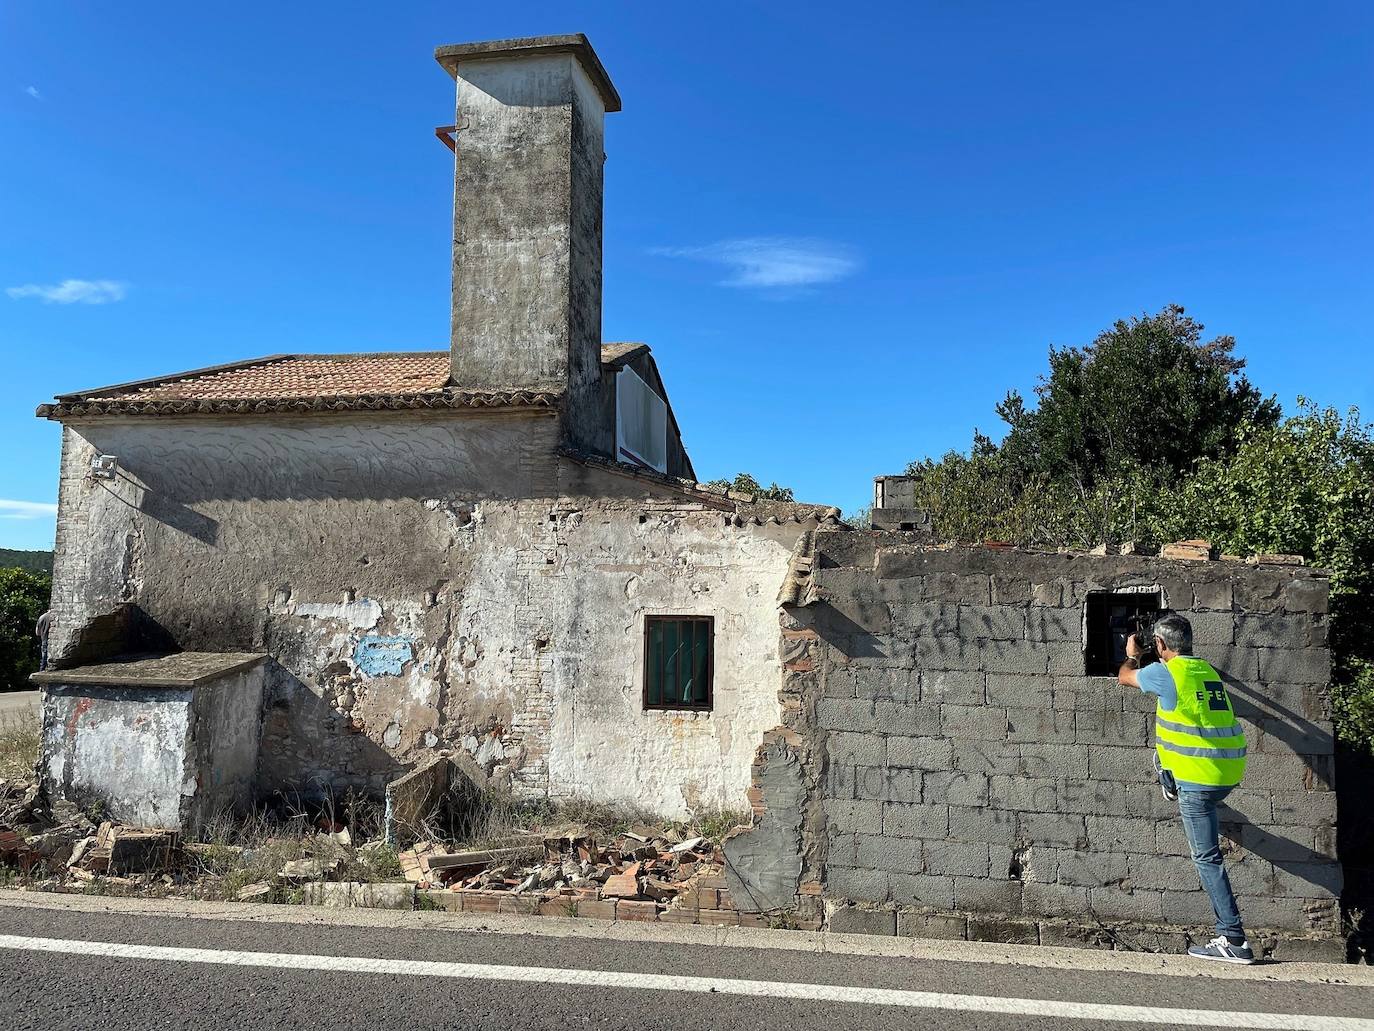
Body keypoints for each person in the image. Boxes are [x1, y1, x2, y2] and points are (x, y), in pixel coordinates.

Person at [1118, 612, 1254, 965]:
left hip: (1199, 779)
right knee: (1163, 751)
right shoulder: (1204, 670)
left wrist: (1133, 653)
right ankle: (1171, 779)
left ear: (1159, 645)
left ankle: (1233, 939)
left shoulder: (1164, 673)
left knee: (1207, 857)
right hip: (1227, 771)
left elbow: (1124, 677)